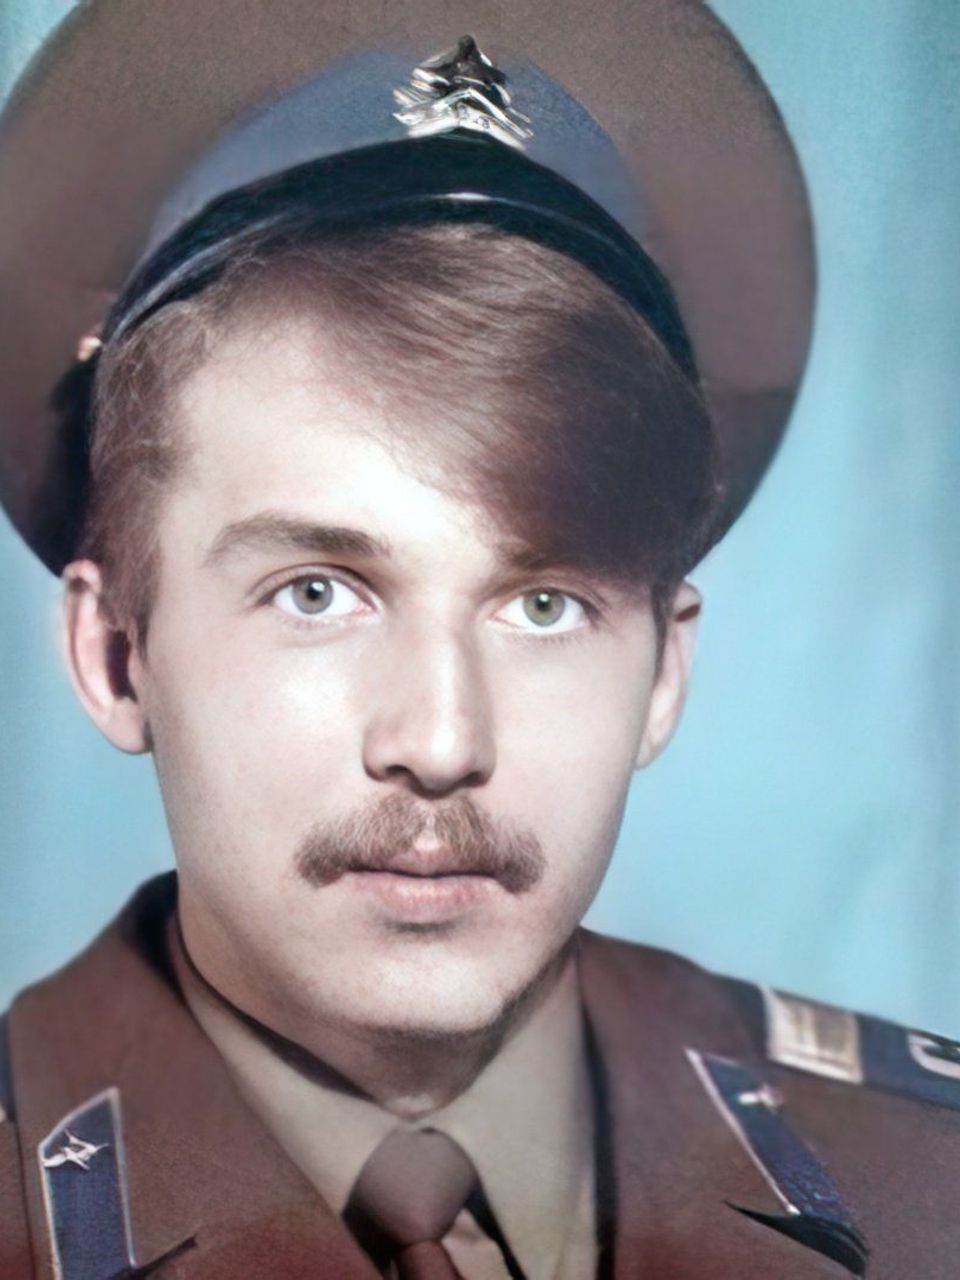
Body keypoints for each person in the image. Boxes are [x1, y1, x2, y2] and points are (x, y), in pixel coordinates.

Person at [0, 3, 958, 1278]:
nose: (443, 740)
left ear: (664, 672)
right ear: (118, 654)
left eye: (543, 604)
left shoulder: (931, 1179)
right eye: (317, 592)